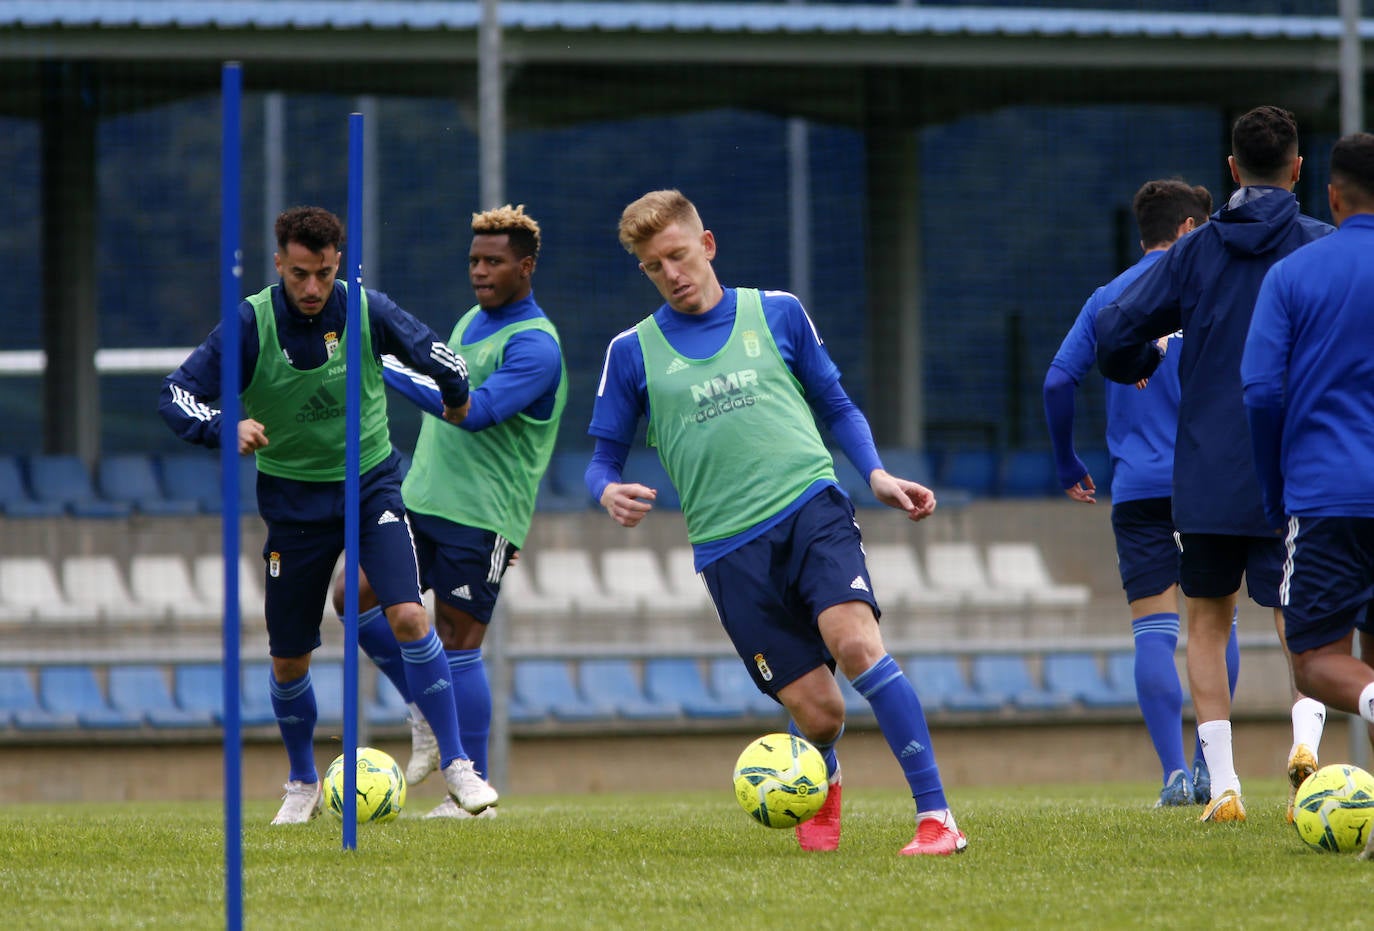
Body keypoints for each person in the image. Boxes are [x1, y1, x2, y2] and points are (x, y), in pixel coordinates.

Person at [586, 189, 965, 856]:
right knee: (821, 713)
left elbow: (837, 404)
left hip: (809, 506)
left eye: (677, 255)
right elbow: (600, 460)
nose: (670, 273)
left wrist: (873, 472)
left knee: (856, 645)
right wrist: (608, 491)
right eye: (653, 266)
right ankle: (828, 773)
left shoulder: (778, 313)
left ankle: (935, 818)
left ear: (707, 245)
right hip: (728, 550)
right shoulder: (632, 351)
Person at [159, 205, 499, 824]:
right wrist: (221, 425)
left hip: (370, 486)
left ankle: (458, 766)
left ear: (337, 262)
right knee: (289, 657)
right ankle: (300, 782)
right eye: (298, 275)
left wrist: (457, 400)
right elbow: (175, 393)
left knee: (408, 614)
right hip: (292, 503)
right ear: (278, 265)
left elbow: (441, 357)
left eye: (321, 273)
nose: (311, 288)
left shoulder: (366, 308)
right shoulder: (249, 324)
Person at [1095, 106, 1333, 823]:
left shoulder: (1194, 253)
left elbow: (1114, 329)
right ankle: (1307, 747)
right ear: (1298, 169)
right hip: (1294, 469)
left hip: (1205, 469)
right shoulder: (1320, 246)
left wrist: (1140, 359)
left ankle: (1223, 781)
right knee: (1305, 619)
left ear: (1231, 170)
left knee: (1206, 620)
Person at [333, 204, 565, 819]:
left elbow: (472, 410)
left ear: (526, 266)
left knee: (459, 645)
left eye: (494, 262)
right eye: (474, 261)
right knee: (350, 595)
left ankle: (474, 800)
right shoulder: (471, 320)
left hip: (481, 515)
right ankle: (425, 709)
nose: (480, 272)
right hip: (419, 499)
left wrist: (381, 366)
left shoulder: (535, 346)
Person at [1044, 178, 1243, 808]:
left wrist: (1066, 459)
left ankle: (1173, 777)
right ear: (1189, 229)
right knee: (1214, 621)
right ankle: (1212, 767)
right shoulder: (1215, 288)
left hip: (1136, 488)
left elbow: (1057, 381)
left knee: (1153, 630)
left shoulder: (1110, 296)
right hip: (1207, 482)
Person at [1241, 132, 1374, 854]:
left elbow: (1261, 391)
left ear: (1330, 195)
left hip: (1328, 495)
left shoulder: (1295, 275)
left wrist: (1274, 484)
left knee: (1315, 661)